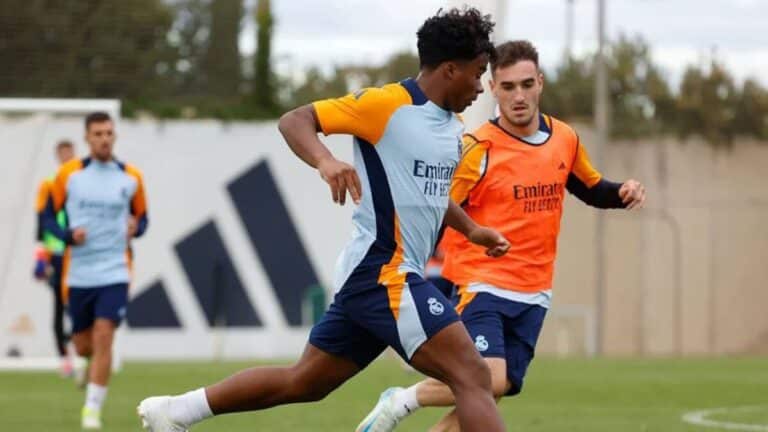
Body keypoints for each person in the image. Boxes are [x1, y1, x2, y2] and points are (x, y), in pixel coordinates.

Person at [138, 7, 510, 432]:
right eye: (478, 73)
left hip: (373, 278)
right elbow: (295, 120)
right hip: (383, 272)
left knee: (306, 382)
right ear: (449, 69)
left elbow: (428, 195)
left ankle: (175, 412)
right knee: (475, 376)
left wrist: (473, 230)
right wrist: (325, 160)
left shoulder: (451, 126)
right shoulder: (386, 104)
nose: (481, 87)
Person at [357, 40, 647, 432]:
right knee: (484, 380)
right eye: (508, 87)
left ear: (540, 83)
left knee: (489, 394)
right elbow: (437, 204)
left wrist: (622, 192)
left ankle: (402, 403)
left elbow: (591, 187)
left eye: (526, 84)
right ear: (493, 88)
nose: (519, 96)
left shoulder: (564, 139)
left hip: (535, 292)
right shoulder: (477, 148)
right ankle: (401, 400)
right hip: (482, 285)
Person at [43, 112, 149, 429]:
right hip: (78, 274)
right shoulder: (67, 176)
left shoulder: (131, 177)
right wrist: (66, 236)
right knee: (83, 345)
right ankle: (85, 363)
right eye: (98, 133)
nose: (104, 138)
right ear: (87, 138)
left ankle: (91, 411)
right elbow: (48, 219)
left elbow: (143, 219)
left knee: (105, 337)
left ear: (114, 137)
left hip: (115, 270)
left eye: (109, 133)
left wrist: (136, 227)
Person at [34, 139, 76, 377]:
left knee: (81, 306)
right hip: (57, 255)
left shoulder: (81, 182)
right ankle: (65, 358)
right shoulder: (49, 184)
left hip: (79, 254)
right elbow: (41, 220)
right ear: (57, 156)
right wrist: (41, 256)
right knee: (59, 307)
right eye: (63, 154)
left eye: (70, 153)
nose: (67, 157)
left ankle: (83, 349)